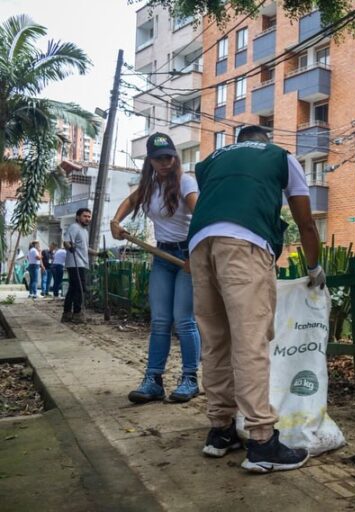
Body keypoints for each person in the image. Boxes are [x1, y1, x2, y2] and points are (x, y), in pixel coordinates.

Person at [189, 125, 324, 473]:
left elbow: (219, 202)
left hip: (200, 245)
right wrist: (314, 267)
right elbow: (305, 222)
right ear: (265, 141)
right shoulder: (280, 157)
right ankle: (262, 441)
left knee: (215, 340)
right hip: (244, 246)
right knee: (249, 342)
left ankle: (220, 432)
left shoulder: (211, 162)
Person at [111, 132, 202, 404]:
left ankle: (189, 379)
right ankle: (153, 380)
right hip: (162, 255)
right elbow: (130, 201)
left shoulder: (186, 182)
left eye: (168, 157)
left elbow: (202, 215)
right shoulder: (149, 186)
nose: (164, 162)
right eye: (158, 158)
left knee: (184, 320)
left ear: (175, 157)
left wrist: (197, 255)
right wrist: (116, 221)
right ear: (149, 161)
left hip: (187, 256)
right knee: (160, 320)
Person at [62, 208, 98, 323]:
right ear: (78, 217)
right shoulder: (74, 227)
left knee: (73, 288)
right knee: (80, 288)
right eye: (85, 216)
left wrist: (99, 254)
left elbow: (85, 249)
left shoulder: (84, 231)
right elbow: (66, 241)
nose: (87, 219)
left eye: (89, 216)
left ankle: (67, 314)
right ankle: (77, 313)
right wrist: (70, 247)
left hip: (82, 263)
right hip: (75, 263)